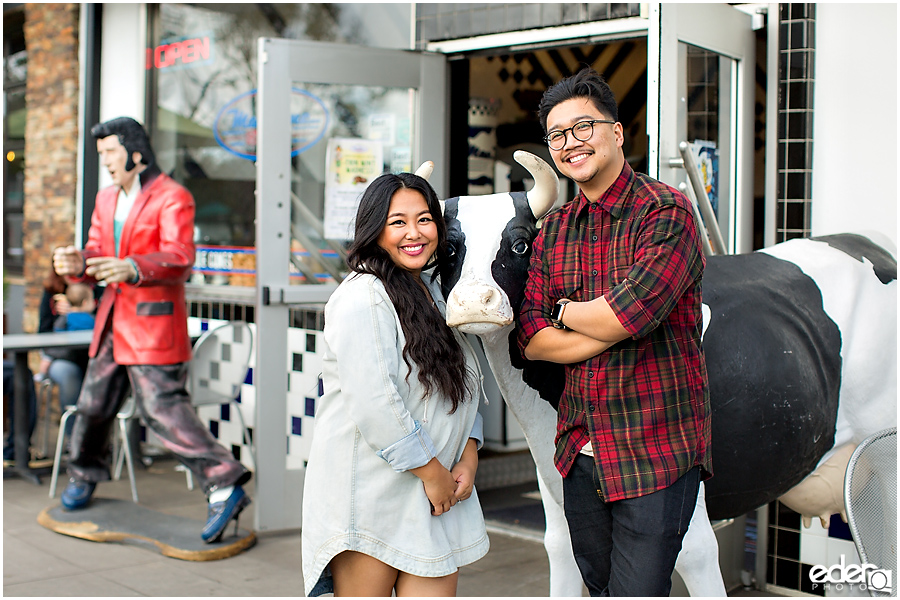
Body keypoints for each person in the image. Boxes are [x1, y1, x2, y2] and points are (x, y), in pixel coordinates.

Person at [516, 68, 713, 596]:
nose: (570, 143)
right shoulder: (554, 230)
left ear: (617, 132)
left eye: (584, 127)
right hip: (581, 450)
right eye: (558, 135)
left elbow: (634, 312)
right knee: (600, 589)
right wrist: (608, 320)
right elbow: (531, 339)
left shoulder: (666, 210)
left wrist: (567, 311)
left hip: (656, 449)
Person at [52, 116, 251, 544]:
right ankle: (83, 474)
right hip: (111, 322)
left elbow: (180, 254)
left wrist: (134, 266)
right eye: (101, 152)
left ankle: (225, 483)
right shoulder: (106, 199)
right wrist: (78, 264)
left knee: (161, 411)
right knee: (92, 405)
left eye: (110, 151)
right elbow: (96, 255)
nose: (104, 160)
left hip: (152, 324)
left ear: (136, 152)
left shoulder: (173, 196)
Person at [301, 172, 489, 597]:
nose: (414, 233)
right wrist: (432, 472)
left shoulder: (433, 293)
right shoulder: (362, 297)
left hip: (436, 490)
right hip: (375, 496)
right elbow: (376, 404)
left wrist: (469, 454)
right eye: (397, 221)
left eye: (424, 219)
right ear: (374, 229)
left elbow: (465, 386)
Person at [42, 282, 98, 443]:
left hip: (68, 358)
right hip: (84, 363)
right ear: (87, 302)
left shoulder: (63, 320)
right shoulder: (93, 321)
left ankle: (73, 439)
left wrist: (48, 359)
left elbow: (54, 342)